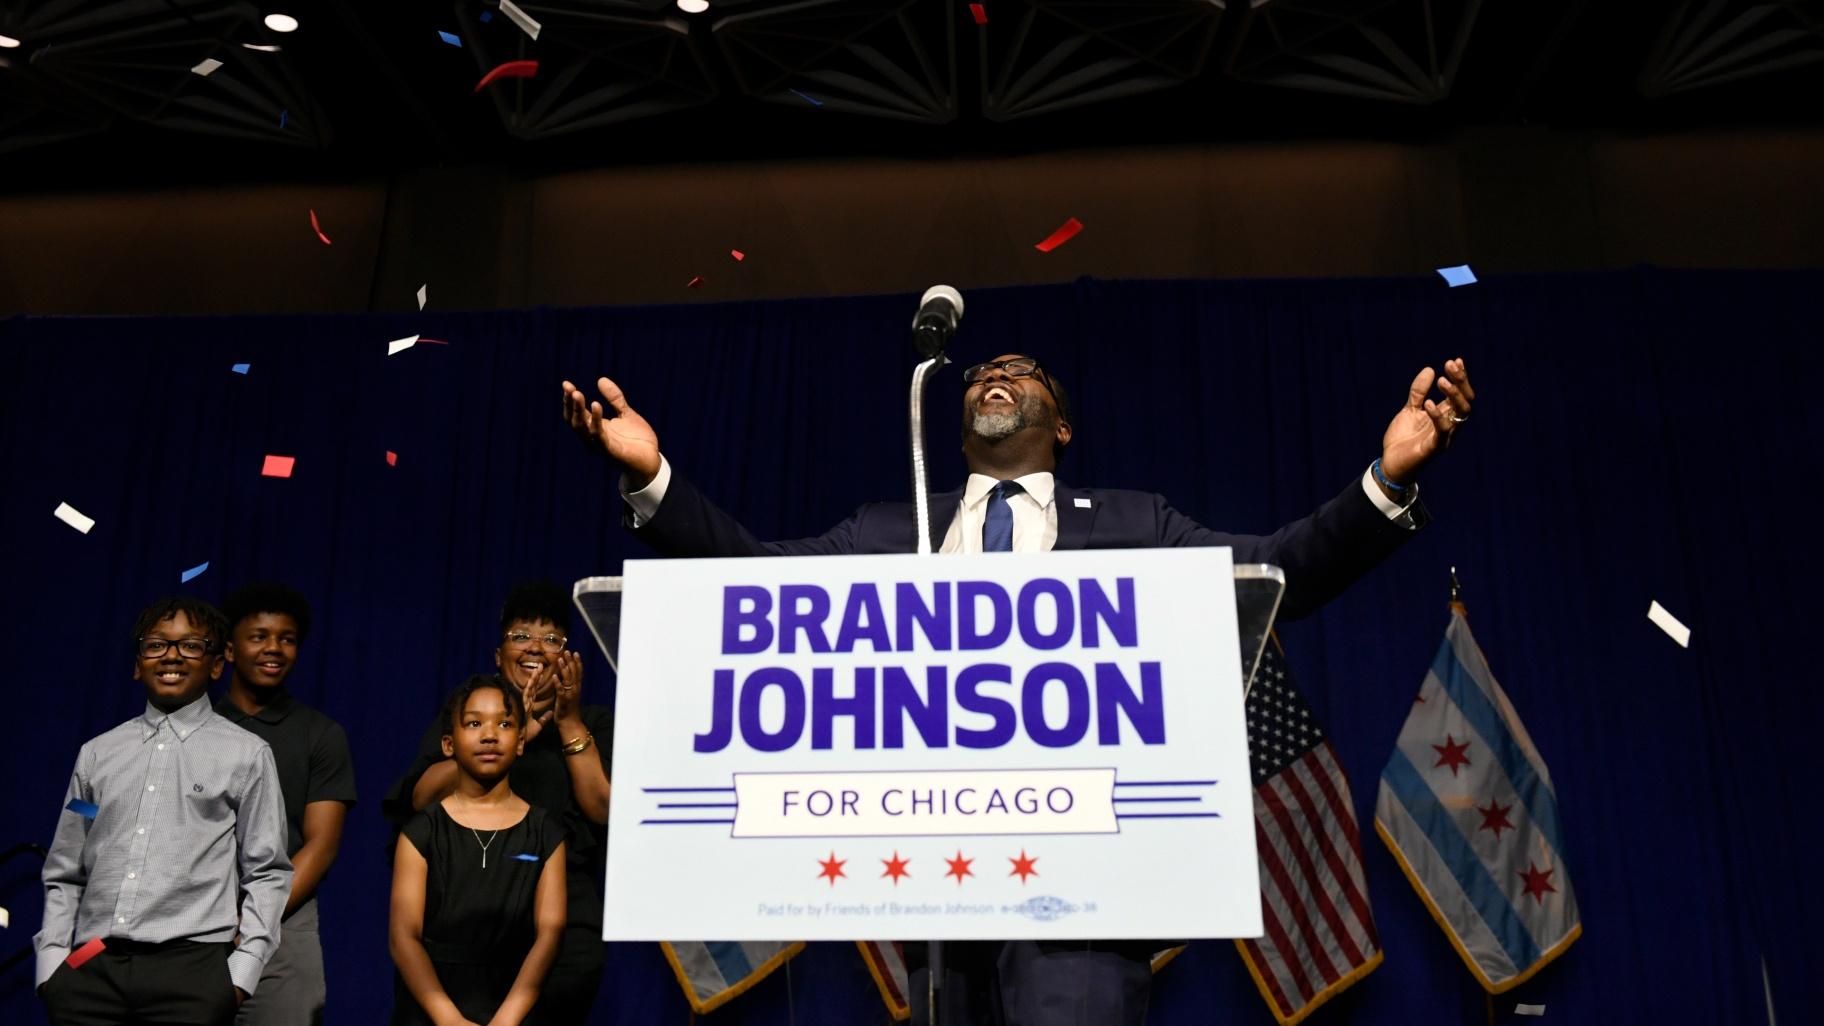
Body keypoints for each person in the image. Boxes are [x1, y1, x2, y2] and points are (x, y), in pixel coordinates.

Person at [559, 351, 1476, 1026]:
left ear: (1061, 425)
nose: (994, 378)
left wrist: (1386, 480)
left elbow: (1279, 571)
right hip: (927, 901)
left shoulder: (1133, 522)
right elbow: (753, 582)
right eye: (980, 375)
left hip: (1078, 895)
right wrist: (654, 480)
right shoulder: (889, 530)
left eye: (1020, 373)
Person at [35, 597, 293, 1026]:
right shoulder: (98, 755)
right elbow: (66, 867)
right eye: (156, 645)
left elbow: (267, 872)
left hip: (192, 969)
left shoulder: (246, 756)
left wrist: (239, 975)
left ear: (215, 665)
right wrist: (53, 965)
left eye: (191, 645)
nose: (171, 655)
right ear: (138, 664)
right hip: (91, 961)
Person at [383, 581, 613, 1021]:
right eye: (521, 635)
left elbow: (601, 807)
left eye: (552, 639)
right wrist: (512, 730)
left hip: (560, 924)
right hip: (462, 920)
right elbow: (420, 797)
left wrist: (566, 722)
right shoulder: (469, 711)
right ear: (498, 654)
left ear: (566, 656)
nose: (536, 648)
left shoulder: (593, 722)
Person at [214, 582, 358, 1026]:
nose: (273, 648)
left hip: (284, 921)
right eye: (258, 636)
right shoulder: (195, 727)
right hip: (191, 920)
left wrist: (254, 918)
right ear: (230, 649)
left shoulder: (321, 735)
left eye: (287, 638)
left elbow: (322, 844)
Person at [390, 675, 567, 1026]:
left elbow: (551, 931)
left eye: (504, 723)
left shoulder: (545, 833)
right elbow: (403, 936)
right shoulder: (421, 832)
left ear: (520, 742)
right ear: (448, 744)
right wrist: (448, 1018)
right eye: (474, 723)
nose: (489, 735)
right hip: (432, 1008)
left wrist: (508, 1018)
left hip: (515, 1006)